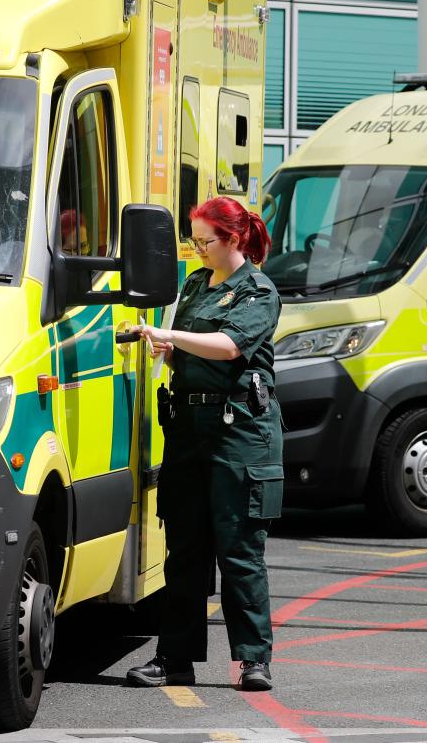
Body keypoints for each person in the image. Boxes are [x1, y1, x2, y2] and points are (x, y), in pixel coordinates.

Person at [126, 196, 283, 692]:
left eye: (204, 240)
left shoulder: (257, 291)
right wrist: (168, 351)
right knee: (184, 551)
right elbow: (194, 357)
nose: (196, 249)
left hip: (239, 434)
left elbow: (231, 347)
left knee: (239, 549)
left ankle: (252, 660)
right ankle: (174, 657)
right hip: (190, 429)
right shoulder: (196, 284)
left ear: (233, 239)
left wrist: (165, 331)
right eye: (192, 239)